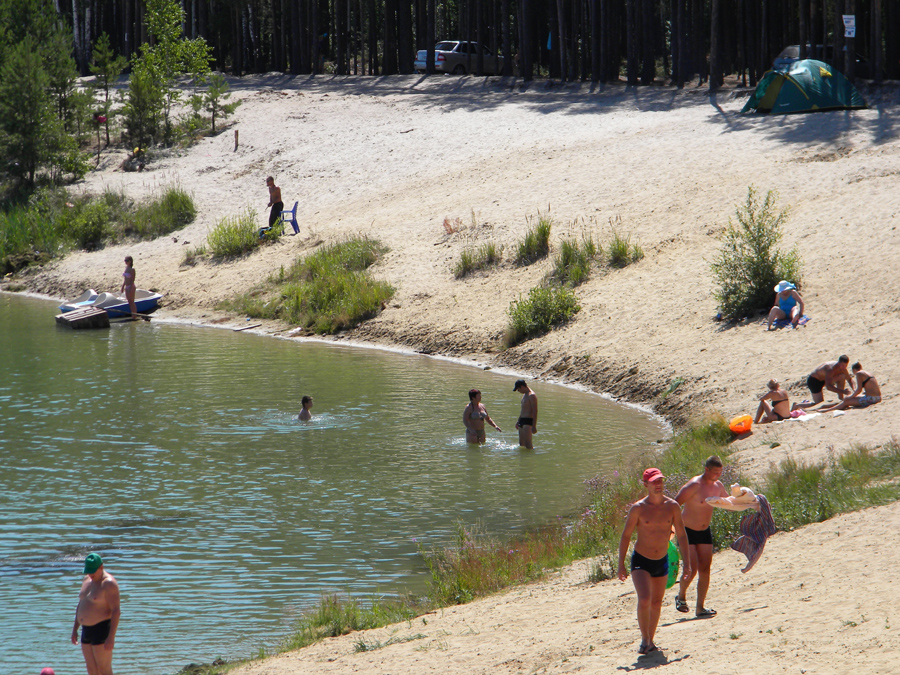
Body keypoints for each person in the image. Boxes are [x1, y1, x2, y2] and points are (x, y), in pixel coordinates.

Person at [618, 468, 692, 655]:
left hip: (662, 559)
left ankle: (650, 641)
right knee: (644, 599)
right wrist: (620, 564)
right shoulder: (638, 508)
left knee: (657, 602)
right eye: (653, 482)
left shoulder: (672, 506)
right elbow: (626, 536)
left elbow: (682, 536)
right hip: (641, 560)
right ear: (645, 485)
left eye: (660, 481)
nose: (658, 484)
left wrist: (687, 563)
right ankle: (644, 640)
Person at [673, 456, 729, 618]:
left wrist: (748, 501)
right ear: (706, 470)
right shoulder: (694, 485)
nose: (718, 476)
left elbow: (729, 503)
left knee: (705, 569)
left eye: (720, 472)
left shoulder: (718, 486)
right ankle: (681, 596)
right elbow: (675, 504)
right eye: (715, 472)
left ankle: (700, 608)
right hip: (687, 531)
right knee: (691, 569)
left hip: (704, 531)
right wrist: (669, 528)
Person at [72, 553, 120, 675]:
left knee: (103, 670)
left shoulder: (108, 583)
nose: (90, 574)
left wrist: (111, 637)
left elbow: (116, 611)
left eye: (93, 571)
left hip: (101, 628)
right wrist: (75, 629)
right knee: (91, 670)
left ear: (101, 567)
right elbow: (80, 605)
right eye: (88, 571)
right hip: (85, 629)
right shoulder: (87, 580)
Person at [513, 380, 537, 449]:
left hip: (528, 421)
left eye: (518, 389)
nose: (518, 391)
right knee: (521, 444)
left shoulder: (532, 395)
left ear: (522, 386)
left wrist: (534, 426)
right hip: (522, 420)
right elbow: (523, 410)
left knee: (528, 445)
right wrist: (518, 421)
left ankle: (531, 458)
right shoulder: (524, 395)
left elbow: (535, 411)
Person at [120, 256, 137, 320]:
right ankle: (133, 315)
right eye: (125, 261)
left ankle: (134, 315)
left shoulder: (132, 269)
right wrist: (122, 286)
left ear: (130, 261)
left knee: (132, 301)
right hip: (127, 286)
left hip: (131, 286)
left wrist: (131, 288)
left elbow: (132, 279)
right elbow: (125, 279)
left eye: (127, 261)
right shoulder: (126, 268)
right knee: (129, 301)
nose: (125, 262)